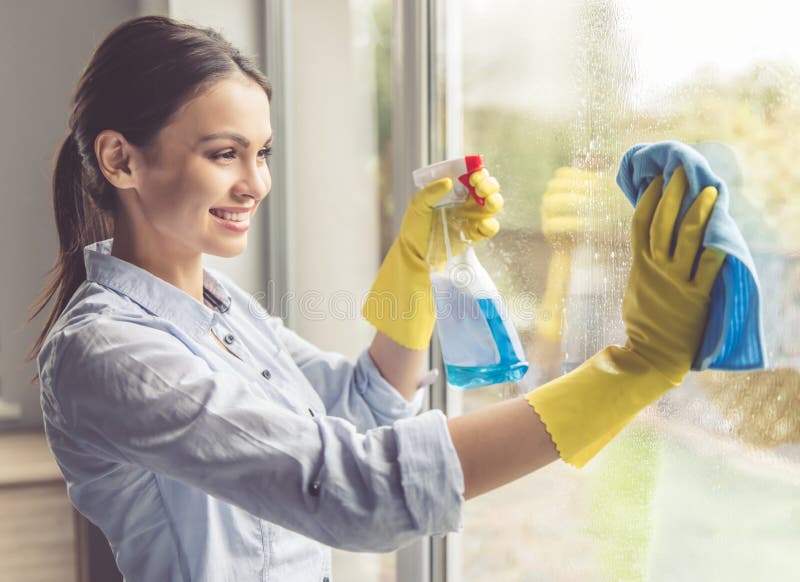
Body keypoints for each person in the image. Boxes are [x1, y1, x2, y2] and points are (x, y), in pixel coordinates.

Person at [28, 15, 725, 582]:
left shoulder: (222, 309)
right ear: (121, 159)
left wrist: (416, 261)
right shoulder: (110, 352)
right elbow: (356, 492)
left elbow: (364, 406)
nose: (255, 184)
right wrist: (630, 370)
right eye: (223, 154)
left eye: (263, 153)